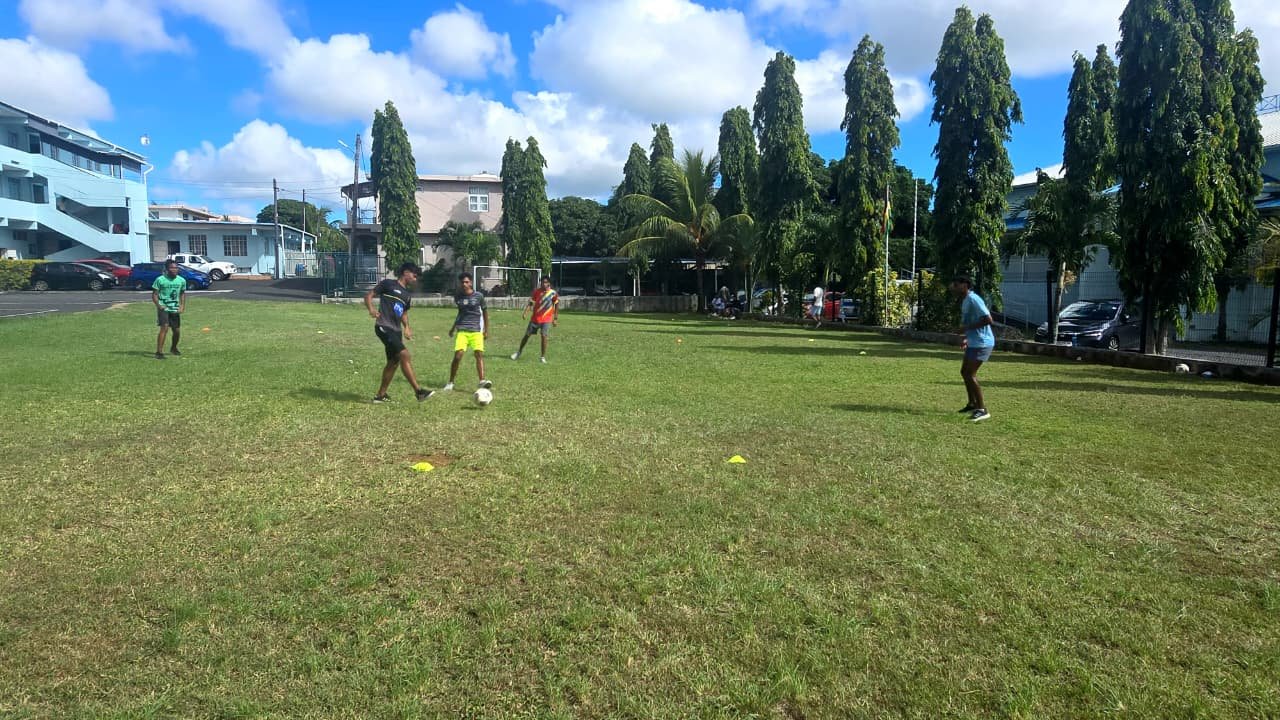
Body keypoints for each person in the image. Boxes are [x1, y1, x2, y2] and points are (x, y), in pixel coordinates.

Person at [364, 262, 434, 404]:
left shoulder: (407, 296)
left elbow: (403, 313)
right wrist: (371, 309)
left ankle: (380, 395)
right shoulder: (388, 284)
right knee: (404, 354)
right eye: (414, 276)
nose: (415, 279)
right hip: (383, 326)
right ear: (406, 272)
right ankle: (418, 391)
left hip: (396, 330)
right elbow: (369, 295)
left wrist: (407, 327)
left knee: (393, 362)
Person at [951, 275, 995, 422]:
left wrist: (966, 328)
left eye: (956, 284)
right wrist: (966, 337)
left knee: (970, 374)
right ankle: (972, 404)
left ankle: (982, 410)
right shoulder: (965, 300)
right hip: (974, 342)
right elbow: (970, 321)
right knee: (964, 372)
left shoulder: (974, 299)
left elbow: (988, 319)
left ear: (965, 285)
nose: (954, 287)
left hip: (983, 343)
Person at [445, 272, 493, 391]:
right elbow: (460, 313)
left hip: (476, 331)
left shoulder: (479, 296)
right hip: (462, 330)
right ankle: (450, 382)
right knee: (458, 356)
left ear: (471, 282)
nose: (464, 284)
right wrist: (453, 328)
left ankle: (482, 381)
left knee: (479, 354)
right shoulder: (458, 297)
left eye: (466, 282)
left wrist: (486, 330)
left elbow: (485, 313)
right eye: (462, 282)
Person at [512, 275, 558, 363]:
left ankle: (542, 357)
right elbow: (531, 303)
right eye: (542, 282)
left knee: (544, 336)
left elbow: (556, 304)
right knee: (527, 335)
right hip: (535, 318)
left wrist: (555, 318)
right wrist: (525, 312)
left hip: (547, 319)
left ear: (549, 283)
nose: (543, 284)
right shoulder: (537, 292)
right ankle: (519, 352)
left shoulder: (553, 293)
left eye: (545, 282)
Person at [152, 259, 186, 359]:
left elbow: (182, 293)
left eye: (176, 268)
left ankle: (173, 348)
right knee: (165, 327)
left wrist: (182, 306)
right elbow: (154, 295)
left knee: (176, 331)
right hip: (164, 307)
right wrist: (159, 305)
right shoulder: (160, 280)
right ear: (167, 269)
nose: (174, 270)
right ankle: (159, 352)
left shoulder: (181, 280)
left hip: (175, 308)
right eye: (172, 267)